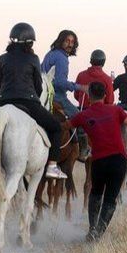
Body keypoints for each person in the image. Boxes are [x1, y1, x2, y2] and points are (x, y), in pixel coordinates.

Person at [66, 82, 127, 241]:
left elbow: (66, 126)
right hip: (119, 160)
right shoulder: (116, 109)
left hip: (99, 161)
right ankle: (98, 232)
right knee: (110, 199)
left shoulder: (83, 115)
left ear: (89, 96)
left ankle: (92, 228)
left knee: (95, 194)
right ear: (105, 95)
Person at [0, 22, 68, 179]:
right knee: (55, 127)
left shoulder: (2, 58)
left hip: (3, 102)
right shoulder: (33, 58)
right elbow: (38, 87)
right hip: (28, 102)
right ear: (30, 42)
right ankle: (52, 166)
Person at [40, 30, 89, 158]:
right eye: (67, 41)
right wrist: (80, 87)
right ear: (61, 40)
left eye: (72, 42)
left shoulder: (50, 54)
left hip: (44, 94)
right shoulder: (61, 58)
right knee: (80, 117)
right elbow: (60, 82)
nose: (70, 44)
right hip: (57, 96)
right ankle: (83, 150)